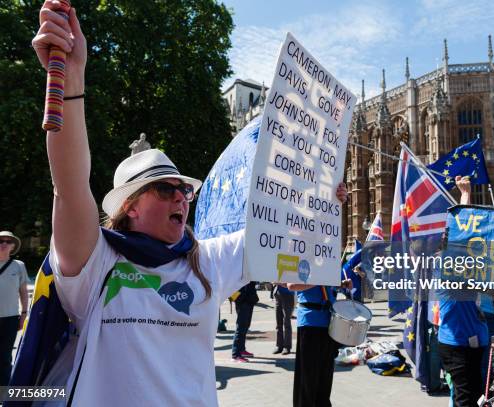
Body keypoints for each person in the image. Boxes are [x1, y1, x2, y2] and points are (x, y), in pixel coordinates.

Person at [31, 3, 348, 405]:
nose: (181, 196)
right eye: (166, 189)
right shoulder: (96, 264)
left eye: (184, 190)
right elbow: (69, 185)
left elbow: (296, 265)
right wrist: (71, 76)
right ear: (130, 206)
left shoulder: (209, 261)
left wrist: (324, 208)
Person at [437, 176, 488, 407]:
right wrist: (465, 196)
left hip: (476, 341)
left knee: (477, 396)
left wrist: (466, 194)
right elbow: (462, 233)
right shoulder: (444, 268)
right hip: (456, 345)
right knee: (465, 399)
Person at [287, 278, 352, 407]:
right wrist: (321, 278)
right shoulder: (305, 259)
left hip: (330, 322)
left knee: (325, 375)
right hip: (310, 321)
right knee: (307, 375)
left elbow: (329, 288)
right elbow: (292, 285)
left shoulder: (330, 263)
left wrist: (341, 284)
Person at [0, 231, 29, 386]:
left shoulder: (19, 266)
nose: (4, 244)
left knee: (5, 357)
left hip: (10, 318)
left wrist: (24, 314)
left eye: (8, 242)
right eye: (1, 241)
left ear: (12, 246)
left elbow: (23, 292)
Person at [231, 281, 259, 362]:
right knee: (241, 327)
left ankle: (241, 350)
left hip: (248, 298)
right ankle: (236, 354)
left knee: (245, 326)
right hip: (242, 299)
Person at [273, 283, 295, 355]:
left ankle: (287, 346)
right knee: (278, 322)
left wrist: (278, 283)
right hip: (277, 293)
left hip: (287, 294)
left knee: (286, 322)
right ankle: (279, 346)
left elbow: (291, 283)